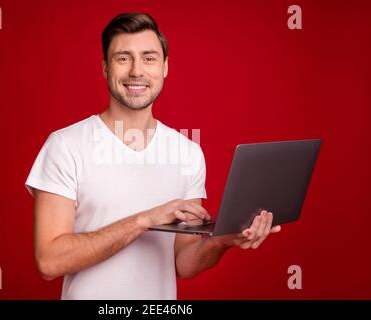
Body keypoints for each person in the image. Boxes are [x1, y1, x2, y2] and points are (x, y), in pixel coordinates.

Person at [25, 12, 281, 300]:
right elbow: (49, 262)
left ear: (165, 67)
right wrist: (144, 220)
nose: (137, 71)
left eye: (149, 58)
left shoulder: (188, 152)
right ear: (105, 68)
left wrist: (221, 240)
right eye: (123, 58)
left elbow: (183, 264)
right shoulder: (65, 145)